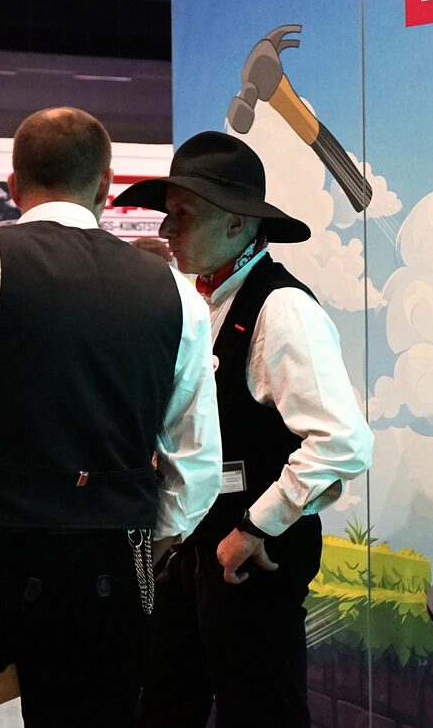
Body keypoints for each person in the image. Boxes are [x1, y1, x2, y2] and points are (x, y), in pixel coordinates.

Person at [0, 107, 223, 728]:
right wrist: (143, 535)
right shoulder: (175, 293)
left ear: (13, 184)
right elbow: (197, 460)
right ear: (105, 186)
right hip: (108, 567)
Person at [119, 132, 373, 728]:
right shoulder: (204, 303)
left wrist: (255, 526)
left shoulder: (282, 308)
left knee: (260, 713)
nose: (167, 230)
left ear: (237, 224)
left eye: (183, 214)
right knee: (164, 706)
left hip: (252, 558)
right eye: (168, 214)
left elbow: (343, 441)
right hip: (198, 553)